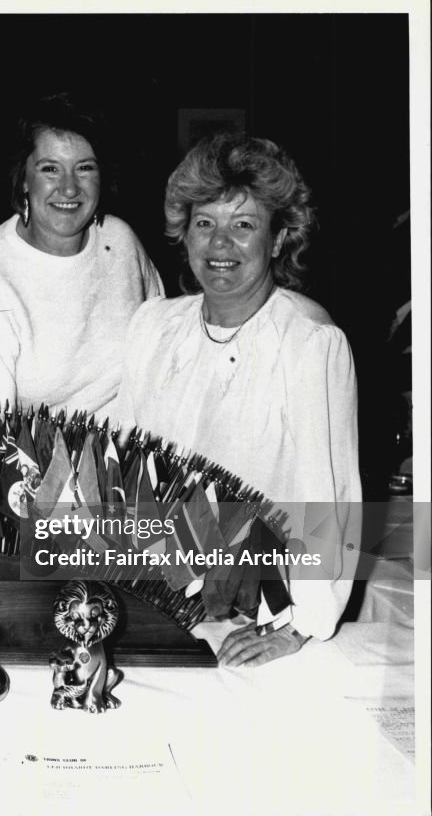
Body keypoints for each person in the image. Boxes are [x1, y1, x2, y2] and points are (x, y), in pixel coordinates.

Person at [115, 134, 361, 667]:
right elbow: (129, 474)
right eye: (204, 224)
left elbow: (331, 500)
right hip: (164, 598)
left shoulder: (310, 341)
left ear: (277, 241)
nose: (219, 244)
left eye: (243, 225)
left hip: (261, 606)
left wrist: (299, 625)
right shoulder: (152, 326)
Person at [0, 93, 162, 416]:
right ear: (24, 180)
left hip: (136, 451)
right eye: (50, 169)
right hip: (42, 462)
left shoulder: (120, 241)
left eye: (84, 168)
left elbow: (162, 354)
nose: (69, 188)